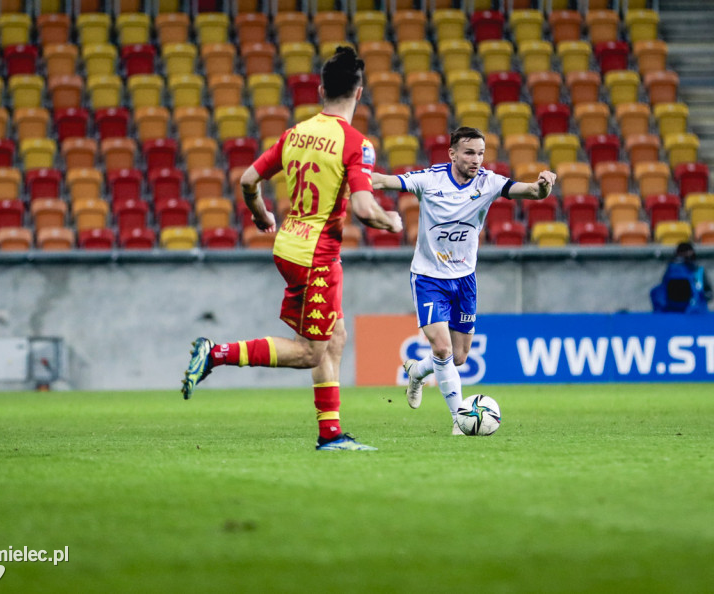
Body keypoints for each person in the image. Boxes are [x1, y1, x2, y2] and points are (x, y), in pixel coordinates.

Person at [182, 46, 403, 452]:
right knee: (310, 353)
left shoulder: (294, 134)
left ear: (321, 90)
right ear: (359, 93)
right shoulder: (356, 143)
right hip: (317, 257)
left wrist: (261, 213)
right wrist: (391, 221)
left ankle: (331, 435)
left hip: (288, 244)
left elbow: (249, 180)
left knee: (335, 337)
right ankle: (216, 354)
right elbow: (363, 206)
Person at [372, 126, 557, 434]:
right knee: (442, 349)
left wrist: (545, 184)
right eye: (470, 153)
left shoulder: (488, 182)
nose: (476, 160)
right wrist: (357, 178)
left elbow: (533, 192)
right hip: (429, 278)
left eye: (481, 153)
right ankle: (460, 418)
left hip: (465, 279)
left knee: (457, 357)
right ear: (453, 153)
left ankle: (417, 372)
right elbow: (385, 181)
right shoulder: (430, 180)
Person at [650, 241, 714, 313]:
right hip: (671, 311)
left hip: (695, 312)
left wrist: (700, 297)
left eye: (687, 253)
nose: (684, 257)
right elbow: (663, 291)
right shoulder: (671, 270)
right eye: (681, 253)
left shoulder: (699, 271)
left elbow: (710, 294)